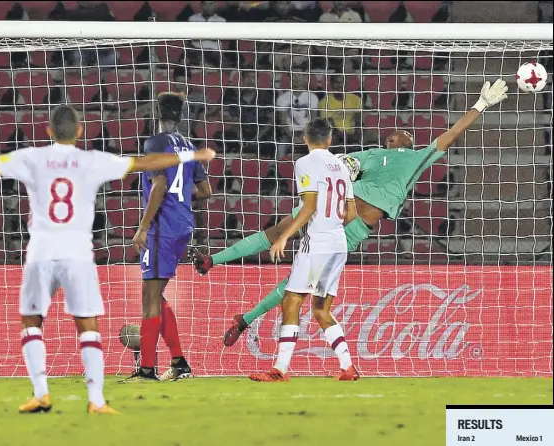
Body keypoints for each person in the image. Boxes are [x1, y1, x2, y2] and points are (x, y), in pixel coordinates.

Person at [190, 79, 509, 378]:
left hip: (353, 230)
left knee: (297, 289)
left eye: (409, 133)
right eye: (401, 132)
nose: (407, 134)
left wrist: (480, 104)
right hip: (329, 214)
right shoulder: (371, 155)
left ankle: (247, 323)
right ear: (389, 139)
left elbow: (451, 135)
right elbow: (335, 167)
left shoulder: (416, 158)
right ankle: (213, 260)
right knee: (278, 237)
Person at [0, 104, 216, 413]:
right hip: (78, 252)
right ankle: (97, 400)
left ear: (48, 131)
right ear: (80, 131)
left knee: (32, 320)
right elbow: (142, 163)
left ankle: (42, 392)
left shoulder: (31, 157)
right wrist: (193, 156)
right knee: (88, 323)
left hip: (42, 250)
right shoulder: (91, 161)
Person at [250, 119, 356, 382]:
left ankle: (280, 369)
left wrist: (283, 236)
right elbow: (351, 214)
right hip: (338, 243)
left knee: (292, 301)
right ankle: (348, 367)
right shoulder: (342, 167)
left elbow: (309, 206)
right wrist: (331, 224)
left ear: (305, 139)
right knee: (320, 309)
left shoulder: (305, 163)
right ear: (330, 140)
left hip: (318, 242)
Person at [126, 93, 212, 382]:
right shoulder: (189, 146)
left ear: (158, 113)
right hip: (183, 224)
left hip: (161, 227)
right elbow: (205, 192)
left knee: (149, 296)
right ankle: (178, 362)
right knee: (155, 293)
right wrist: (181, 197)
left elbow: (159, 185)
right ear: (180, 116)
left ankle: (147, 370)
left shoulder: (155, 143)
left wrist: (142, 227)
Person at [319, 76, 362, 147]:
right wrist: (342, 135)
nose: (340, 85)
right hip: (334, 134)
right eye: (336, 82)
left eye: (342, 82)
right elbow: (329, 124)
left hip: (352, 132)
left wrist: (356, 134)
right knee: (331, 139)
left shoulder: (356, 99)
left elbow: (358, 120)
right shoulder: (324, 102)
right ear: (331, 85)